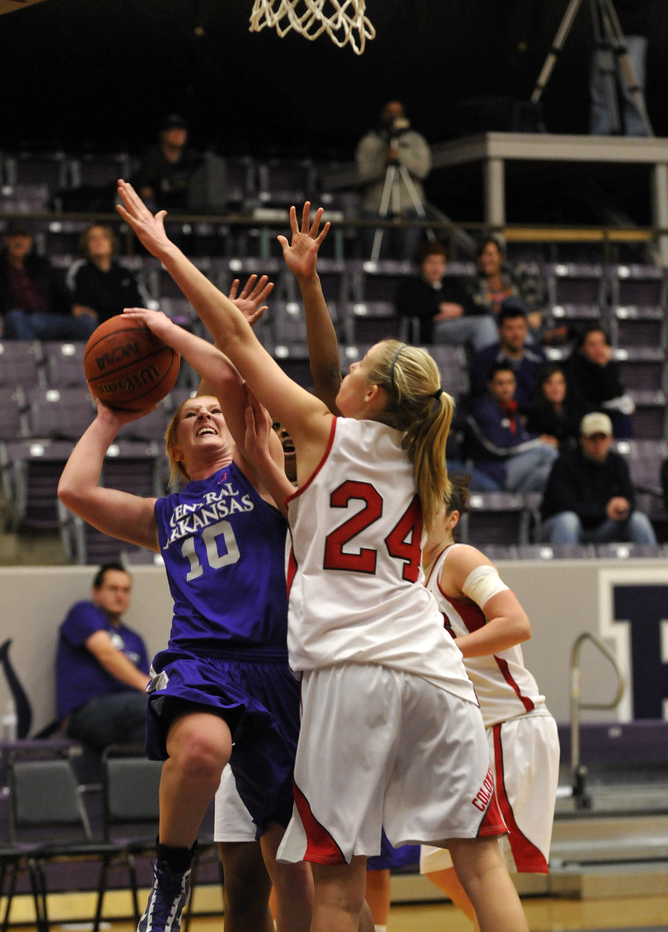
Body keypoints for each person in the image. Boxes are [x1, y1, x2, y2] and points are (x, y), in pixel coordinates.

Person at [116, 179, 530, 932]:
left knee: (336, 884)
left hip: (347, 676)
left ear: (367, 396)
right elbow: (287, 463)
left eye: (354, 371)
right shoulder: (421, 455)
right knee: (480, 864)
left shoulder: (323, 432)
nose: (340, 375)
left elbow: (240, 348)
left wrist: (167, 251)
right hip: (436, 672)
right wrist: (307, 288)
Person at [58, 312, 313, 932]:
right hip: (201, 659)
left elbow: (229, 375)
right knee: (201, 747)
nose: (204, 416)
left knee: (290, 855)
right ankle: (170, 880)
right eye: (190, 416)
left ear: (237, 435)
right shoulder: (163, 515)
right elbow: (75, 489)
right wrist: (109, 418)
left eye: (215, 414)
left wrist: (171, 334)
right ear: (175, 448)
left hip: (277, 668)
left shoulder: (260, 472)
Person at [419, 474, 560, 925]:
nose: (417, 517)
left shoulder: (458, 558)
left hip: (506, 726)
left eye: (428, 508)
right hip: (465, 735)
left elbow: (516, 623)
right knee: (439, 867)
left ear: (452, 519)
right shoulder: (405, 574)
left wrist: (440, 651)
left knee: (482, 864)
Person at [56, 563, 149, 750]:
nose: (120, 595)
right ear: (96, 591)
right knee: (149, 708)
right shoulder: (83, 612)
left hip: (127, 710)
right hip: (84, 710)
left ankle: (137, 775)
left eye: (125, 590)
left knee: (162, 715)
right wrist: (151, 688)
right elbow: (107, 655)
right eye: (113, 588)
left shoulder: (135, 639)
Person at [540, 411, 657, 545]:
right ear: (582, 439)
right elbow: (562, 505)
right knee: (568, 521)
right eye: (592, 438)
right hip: (567, 527)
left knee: (638, 520)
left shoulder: (618, 463)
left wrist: (622, 507)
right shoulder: (564, 464)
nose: (598, 443)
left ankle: (652, 563)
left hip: (605, 527)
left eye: (603, 437)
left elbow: (629, 498)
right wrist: (604, 510)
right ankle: (564, 564)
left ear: (610, 439)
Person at [589, 0, 650, 137]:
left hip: (631, 34)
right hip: (607, 32)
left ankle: (637, 133)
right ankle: (600, 131)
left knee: (631, 85)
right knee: (600, 86)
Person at [355, 100, 432, 260]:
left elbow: (423, 169)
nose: (393, 117)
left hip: (409, 205)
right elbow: (362, 174)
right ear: (382, 115)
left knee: (408, 258)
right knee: (376, 258)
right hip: (376, 206)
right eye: (389, 112)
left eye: (397, 113)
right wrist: (384, 161)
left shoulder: (415, 140)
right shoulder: (370, 142)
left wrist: (399, 155)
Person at [464, 364, 559, 493]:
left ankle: (517, 505)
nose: (506, 388)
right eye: (500, 383)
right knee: (546, 451)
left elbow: (519, 439)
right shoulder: (484, 410)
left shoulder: (511, 409)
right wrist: (539, 440)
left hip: (510, 467)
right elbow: (498, 448)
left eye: (510, 383)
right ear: (490, 385)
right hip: (494, 470)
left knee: (546, 472)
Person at [394, 241, 497, 352]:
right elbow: (403, 305)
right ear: (421, 264)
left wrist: (459, 311)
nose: (436, 267)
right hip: (432, 330)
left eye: (440, 263)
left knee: (489, 320)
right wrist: (439, 309)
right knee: (483, 325)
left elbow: (473, 306)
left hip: (458, 326)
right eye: (431, 262)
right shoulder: (412, 284)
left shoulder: (452, 284)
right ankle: (493, 366)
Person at [0, 220, 94, 341]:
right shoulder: (1, 267)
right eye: (14, 236)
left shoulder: (42, 265)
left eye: (23, 236)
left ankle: (87, 359)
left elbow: (61, 291)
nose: (18, 241)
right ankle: (27, 359)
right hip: (17, 319)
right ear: (6, 239)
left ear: (30, 241)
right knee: (15, 318)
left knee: (85, 322)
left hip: (48, 318)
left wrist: (73, 306)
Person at [465, 236, 560, 346]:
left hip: (525, 324)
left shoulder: (515, 274)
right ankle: (541, 336)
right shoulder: (473, 284)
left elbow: (536, 300)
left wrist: (536, 314)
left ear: (501, 257)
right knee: (510, 306)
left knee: (515, 308)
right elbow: (481, 312)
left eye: (489, 254)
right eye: (481, 255)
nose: (485, 259)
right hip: (497, 329)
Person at [66, 223, 148, 333]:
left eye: (104, 237)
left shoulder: (125, 272)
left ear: (112, 242)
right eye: (92, 238)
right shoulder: (80, 270)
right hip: (95, 326)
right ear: (86, 245)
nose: (99, 241)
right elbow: (75, 304)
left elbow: (140, 302)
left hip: (124, 323)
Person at [469, 305, 548, 414]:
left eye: (520, 328)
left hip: (535, 416)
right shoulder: (485, 358)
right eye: (510, 328)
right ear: (500, 330)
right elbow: (479, 396)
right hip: (498, 417)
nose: (516, 334)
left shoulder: (538, 355)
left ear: (526, 329)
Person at [563, 323, 634, 437]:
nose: (598, 349)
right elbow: (578, 403)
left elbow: (614, 394)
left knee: (622, 421)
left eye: (601, 343)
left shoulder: (608, 367)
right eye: (592, 344)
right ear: (582, 348)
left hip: (605, 416)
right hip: (581, 417)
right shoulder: (571, 368)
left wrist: (603, 368)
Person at [136, 114, 203, 212]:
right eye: (173, 130)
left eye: (182, 130)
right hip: (157, 205)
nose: (178, 134)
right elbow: (145, 189)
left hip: (185, 205)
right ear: (163, 134)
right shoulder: (152, 156)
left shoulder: (192, 157)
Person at [525, 364, 581, 451]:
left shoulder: (576, 409)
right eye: (549, 383)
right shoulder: (535, 415)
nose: (556, 389)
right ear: (541, 387)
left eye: (560, 382)